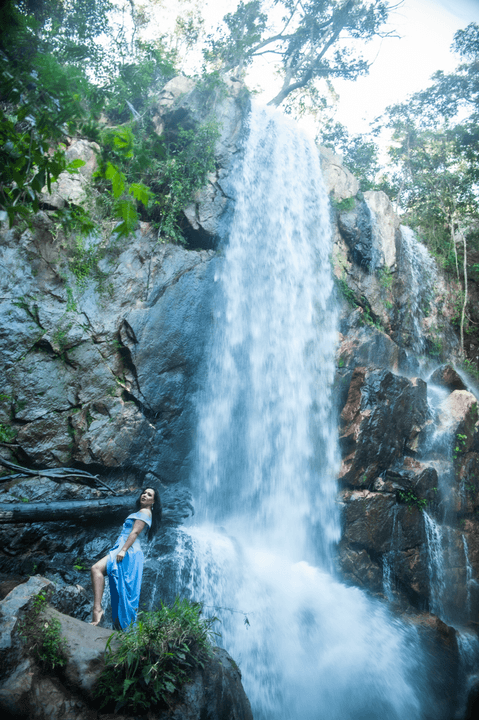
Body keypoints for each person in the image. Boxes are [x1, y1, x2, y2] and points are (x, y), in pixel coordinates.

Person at [90, 486, 162, 629]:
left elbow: (134, 533)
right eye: (144, 493)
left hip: (128, 552)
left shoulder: (144, 512)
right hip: (127, 550)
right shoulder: (143, 512)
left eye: (149, 495)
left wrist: (123, 550)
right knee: (121, 590)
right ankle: (111, 621)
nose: (145, 495)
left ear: (153, 502)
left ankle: (98, 611)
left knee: (96, 569)